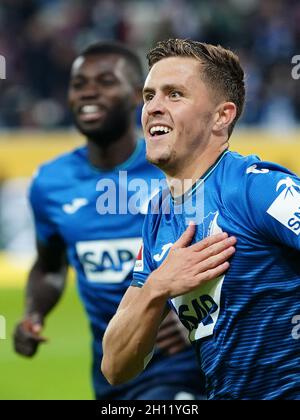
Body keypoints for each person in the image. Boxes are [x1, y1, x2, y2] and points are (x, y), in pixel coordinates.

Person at [12, 41, 233, 400]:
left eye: (104, 81)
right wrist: (33, 315)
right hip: (114, 375)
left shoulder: (178, 168)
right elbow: (50, 266)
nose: (89, 93)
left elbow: (239, 255)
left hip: (188, 369)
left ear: (137, 97)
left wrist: (194, 311)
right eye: (79, 83)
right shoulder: (50, 183)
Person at [102, 39, 300, 400]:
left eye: (174, 94)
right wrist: (159, 285)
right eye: (149, 96)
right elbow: (115, 365)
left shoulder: (255, 188)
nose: (153, 108)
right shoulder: (159, 218)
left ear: (221, 116)